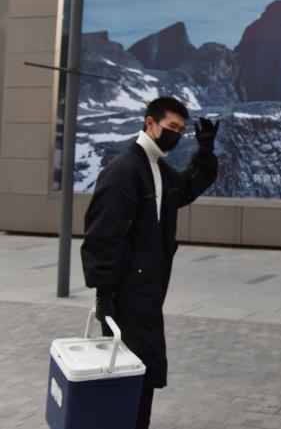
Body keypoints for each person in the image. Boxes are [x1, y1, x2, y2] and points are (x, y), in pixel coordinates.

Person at [81, 96, 219, 429]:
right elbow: (103, 234)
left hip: (148, 289)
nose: (176, 134)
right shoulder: (125, 170)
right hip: (126, 293)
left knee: (140, 368)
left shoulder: (156, 168)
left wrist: (205, 152)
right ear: (149, 124)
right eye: (171, 127)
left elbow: (186, 189)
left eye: (181, 130)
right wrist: (104, 295)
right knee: (135, 369)